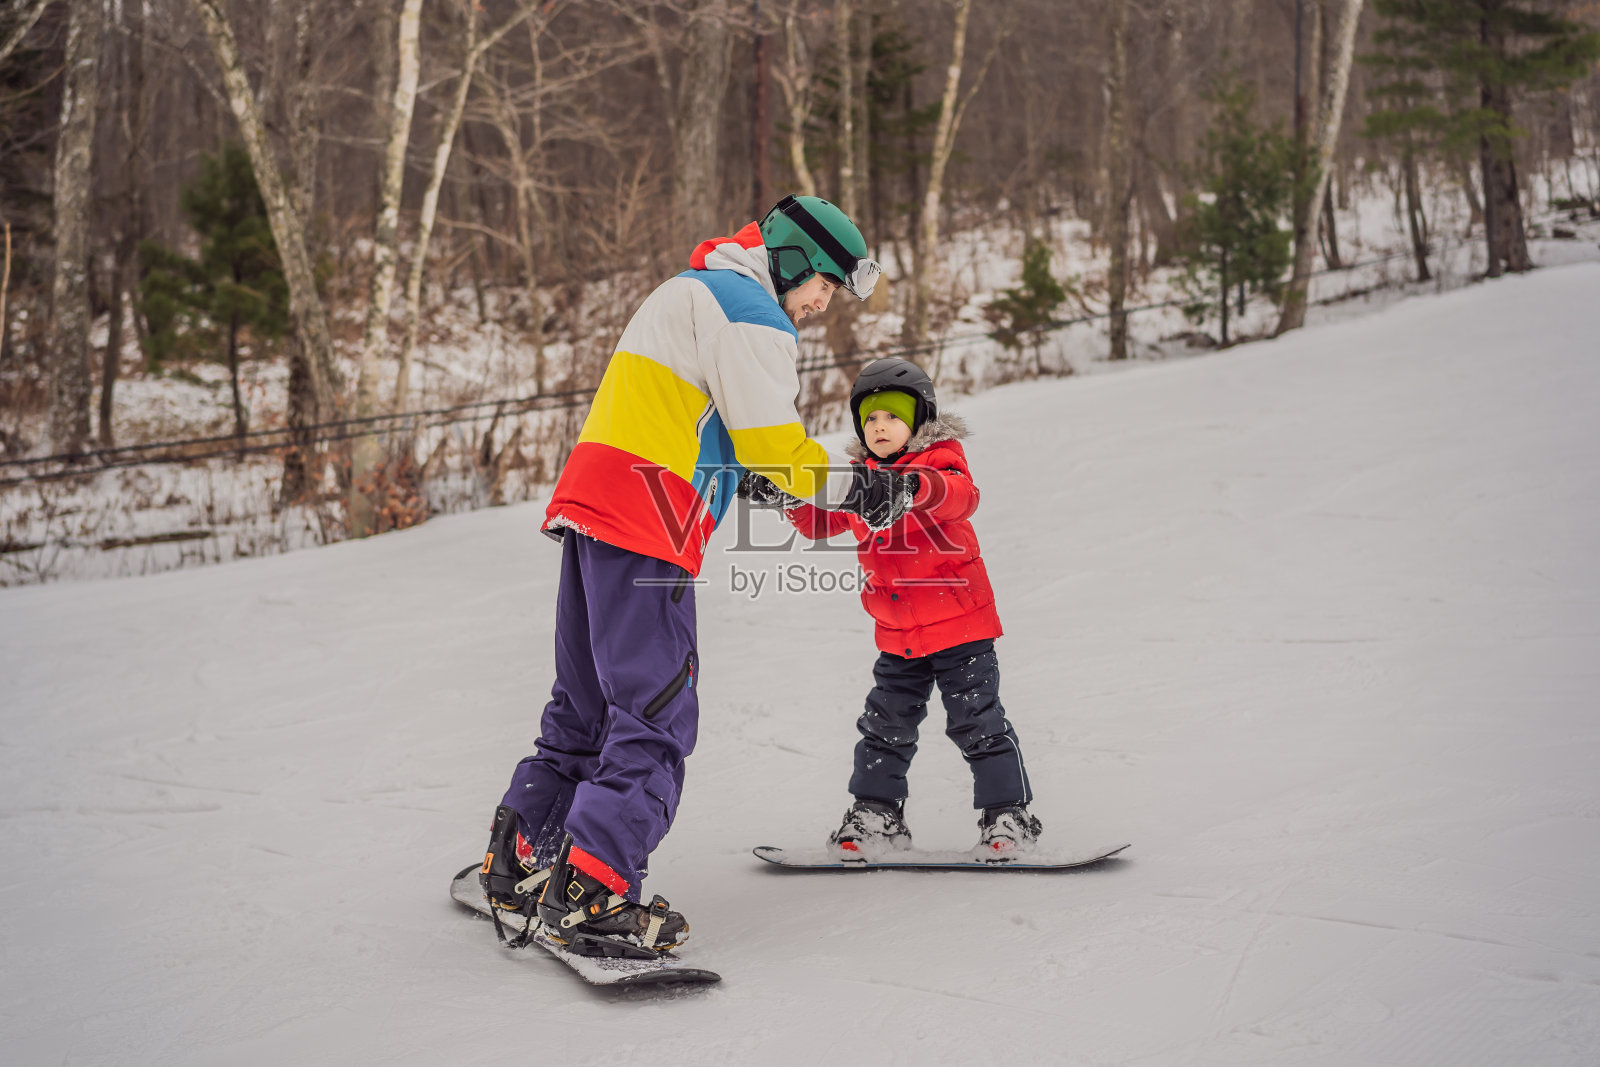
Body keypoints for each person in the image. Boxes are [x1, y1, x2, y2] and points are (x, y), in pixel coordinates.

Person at [477, 196, 917, 958]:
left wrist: (745, 477)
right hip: (649, 526)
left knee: (587, 704)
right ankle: (592, 892)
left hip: (593, 510)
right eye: (824, 285)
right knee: (655, 712)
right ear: (794, 260)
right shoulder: (753, 312)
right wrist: (861, 488)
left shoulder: (691, 289)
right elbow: (778, 447)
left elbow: (687, 419)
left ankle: (521, 856)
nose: (821, 305)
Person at [771, 358, 1042, 862]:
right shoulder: (859, 480)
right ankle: (877, 815)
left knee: (977, 721)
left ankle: (1008, 815)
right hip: (898, 637)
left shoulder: (940, 462)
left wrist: (910, 489)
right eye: (870, 419)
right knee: (884, 728)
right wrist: (786, 497)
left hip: (961, 629)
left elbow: (958, 495)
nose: (880, 427)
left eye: (893, 416)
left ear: (919, 420)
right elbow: (818, 520)